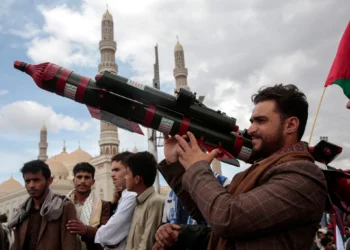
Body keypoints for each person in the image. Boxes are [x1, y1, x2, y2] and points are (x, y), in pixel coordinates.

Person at [156, 84, 328, 250]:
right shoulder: (259, 170)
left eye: (261, 121)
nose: (251, 129)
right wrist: (174, 162)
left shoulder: (303, 174)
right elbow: (207, 208)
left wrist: (198, 168)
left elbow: (226, 218)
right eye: (252, 121)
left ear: (291, 125)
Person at [8, 160, 77, 250]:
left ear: (49, 181)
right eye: (27, 181)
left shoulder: (63, 206)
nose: (31, 185)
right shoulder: (23, 210)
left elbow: (69, 244)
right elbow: (16, 244)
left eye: (36, 180)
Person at [95, 152, 137, 250]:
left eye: (116, 170)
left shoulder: (131, 196)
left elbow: (106, 235)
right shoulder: (124, 196)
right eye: (112, 170)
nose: (112, 175)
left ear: (129, 171)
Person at [125, 151, 164, 250]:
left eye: (127, 173)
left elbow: (146, 245)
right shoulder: (139, 203)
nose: (125, 177)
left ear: (137, 179)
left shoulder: (155, 202)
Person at [66, 162, 110, 250]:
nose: (82, 181)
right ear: (73, 180)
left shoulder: (103, 205)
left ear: (93, 181)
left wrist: (86, 230)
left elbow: (105, 233)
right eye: (79, 177)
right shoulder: (63, 203)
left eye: (86, 177)